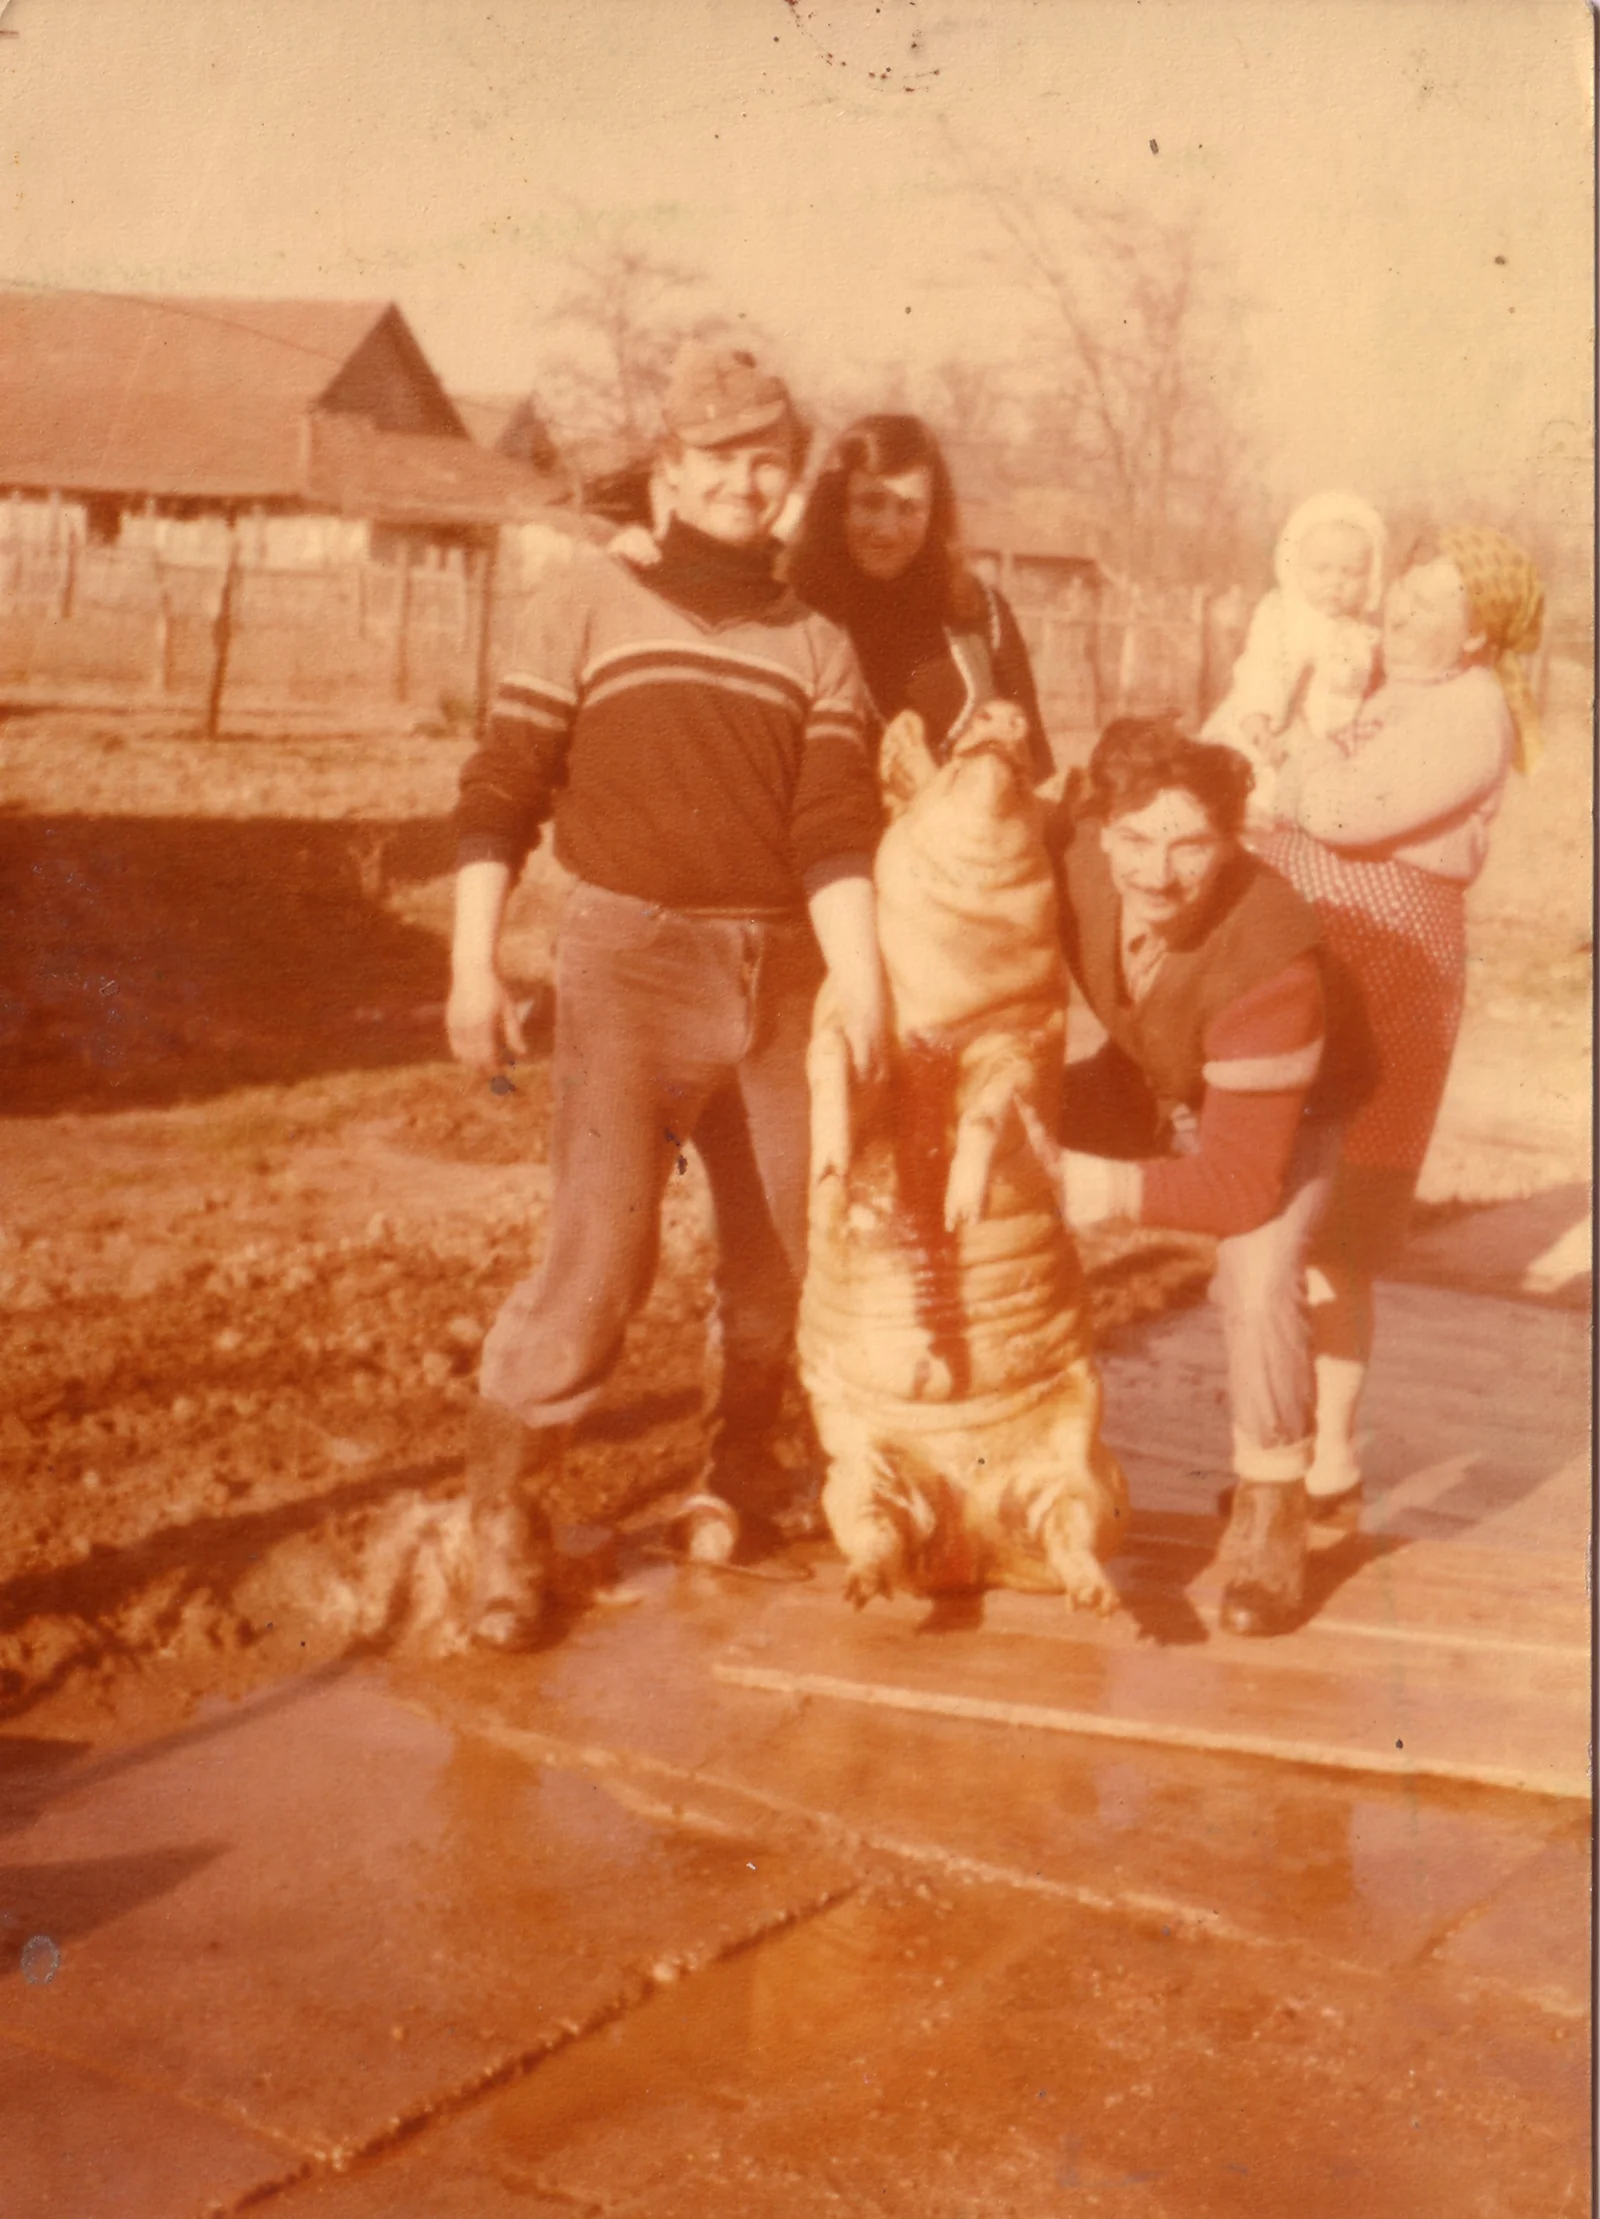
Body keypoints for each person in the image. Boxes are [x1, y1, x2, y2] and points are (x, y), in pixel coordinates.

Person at [447, 342, 889, 1646]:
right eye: (721, 459)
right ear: (672, 470)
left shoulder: (820, 642)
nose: (747, 482)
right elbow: (503, 786)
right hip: (629, 965)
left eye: (771, 460)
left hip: (785, 978)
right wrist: (473, 958)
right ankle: (503, 1516)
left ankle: (737, 1475)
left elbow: (834, 829)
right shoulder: (588, 601)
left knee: (786, 1256)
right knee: (603, 1255)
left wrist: (863, 983)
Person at [1022, 717, 1361, 1637]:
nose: (1157, 873)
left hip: (1288, 1112)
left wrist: (1087, 1184)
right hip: (1160, 1064)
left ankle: (1275, 1500)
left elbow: (1238, 1185)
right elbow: (1000, 818)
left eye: (1190, 846)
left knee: (1257, 1270)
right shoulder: (1078, 853)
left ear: (1233, 841)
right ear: (1101, 831)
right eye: (1135, 839)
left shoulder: (1272, 957)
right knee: (982, 1122)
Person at [1258, 525, 1543, 1510]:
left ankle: (1329, 1459)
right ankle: (1283, 1442)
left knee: (1339, 1228)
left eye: (1432, 603)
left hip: (1393, 980)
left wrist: (1296, 765)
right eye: (1405, 591)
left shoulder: (1470, 710)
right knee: (1280, 1218)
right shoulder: (1388, 686)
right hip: (1323, 964)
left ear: (1477, 634)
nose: (1401, 611)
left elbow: (1344, 811)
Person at [784, 413, 1056, 781]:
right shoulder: (794, 612)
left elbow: (1036, 765)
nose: (888, 530)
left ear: (934, 515)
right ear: (837, 507)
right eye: (870, 503)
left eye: (909, 508)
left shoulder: (980, 611)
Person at [1203, 490, 1387, 827]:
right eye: (1321, 569)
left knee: (1303, 802)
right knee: (1252, 790)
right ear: (1294, 565)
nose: (1335, 583)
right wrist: (1259, 715)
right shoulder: (1283, 614)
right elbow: (1264, 665)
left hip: (1324, 742)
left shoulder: (1364, 636)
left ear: (1371, 577)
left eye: (1351, 573)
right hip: (1268, 730)